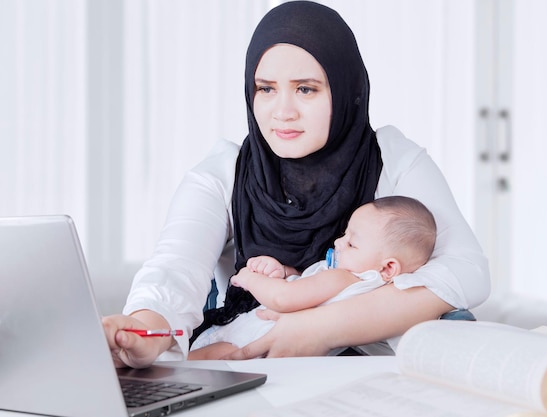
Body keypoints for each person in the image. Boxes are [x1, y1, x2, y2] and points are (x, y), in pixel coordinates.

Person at [103, 0, 490, 368]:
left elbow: (466, 271)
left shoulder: (393, 159)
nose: (282, 112)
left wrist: (318, 328)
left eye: (306, 89)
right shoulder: (223, 172)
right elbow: (174, 270)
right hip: (254, 373)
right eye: (266, 89)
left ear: (346, 91)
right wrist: (144, 331)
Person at [188, 196, 437, 359]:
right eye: (344, 234)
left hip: (251, 342)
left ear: (388, 268)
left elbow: (284, 298)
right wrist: (286, 273)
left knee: (190, 366)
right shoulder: (364, 287)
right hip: (267, 342)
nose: (339, 242)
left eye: (351, 243)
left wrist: (250, 279)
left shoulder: (344, 277)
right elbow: (306, 287)